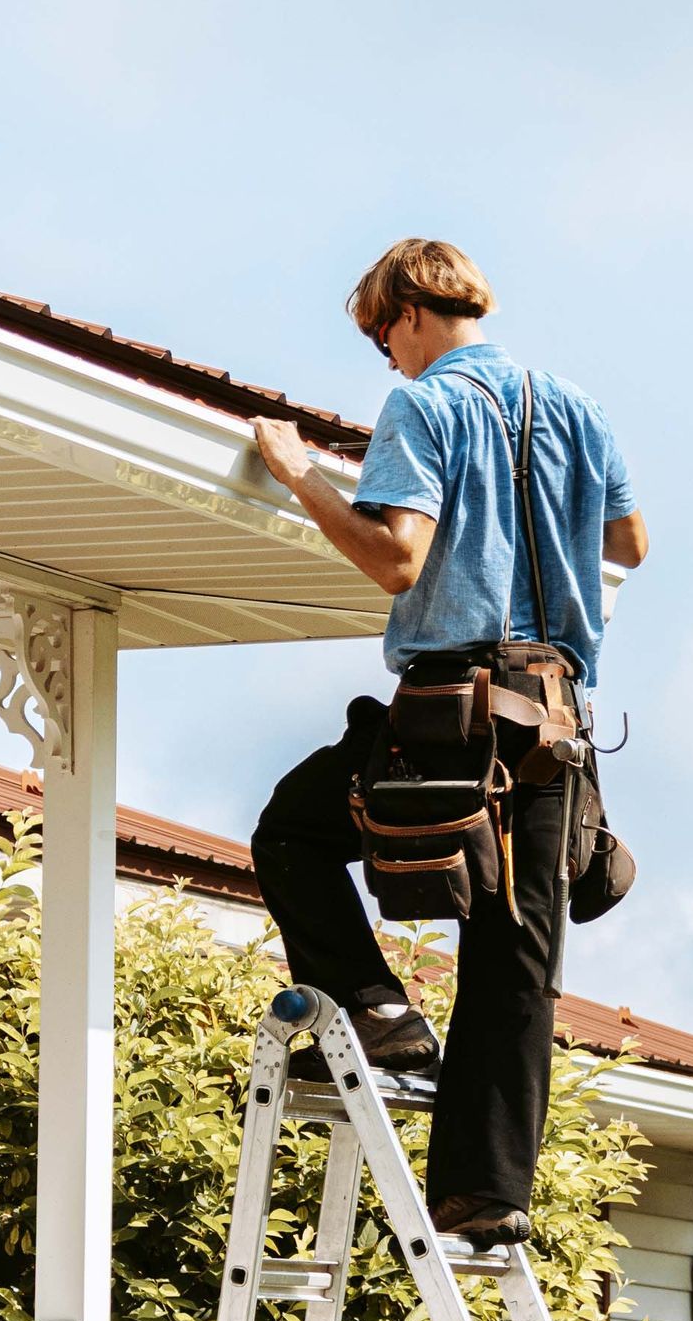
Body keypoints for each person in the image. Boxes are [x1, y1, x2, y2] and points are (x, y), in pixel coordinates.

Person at [250, 237, 648, 1249]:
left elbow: (397, 557)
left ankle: (376, 1010)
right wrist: (532, 530)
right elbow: (630, 545)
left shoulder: (423, 407)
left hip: (449, 716)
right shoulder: (576, 406)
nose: (386, 359)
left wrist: (302, 475)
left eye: (382, 336)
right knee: (517, 956)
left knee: (293, 830)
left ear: (412, 310)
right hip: (554, 720)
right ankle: (486, 1193)